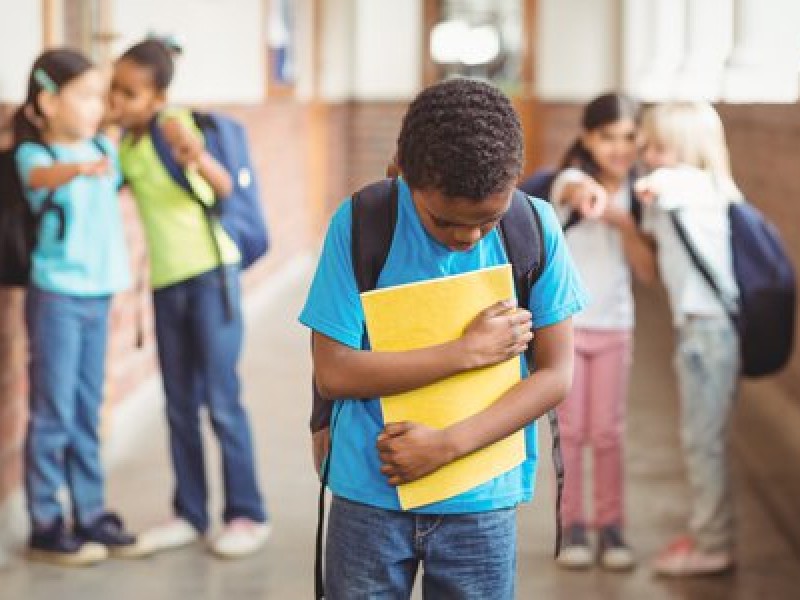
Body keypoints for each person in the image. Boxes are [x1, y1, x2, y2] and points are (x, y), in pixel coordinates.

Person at [300, 78, 588, 598]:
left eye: (487, 220)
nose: (468, 237)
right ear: (404, 175)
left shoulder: (534, 229)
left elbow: (555, 374)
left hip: (481, 501)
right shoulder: (363, 222)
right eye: (445, 220)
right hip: (371, 492)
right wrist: (465, 352)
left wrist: (447, 446)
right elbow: (335, 369)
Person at [109, 38, 268, 558]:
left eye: (128, 92)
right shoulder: (128, 142)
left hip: (209, 277)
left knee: (221, 401)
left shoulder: (172, 124)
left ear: (157, 95)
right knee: (178, 404)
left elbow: (223, 188)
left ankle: (246, 514)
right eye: (114, 89)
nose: (118, 100)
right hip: (166, 285)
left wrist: (196, 155)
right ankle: (190, 513)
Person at [13, 48, 143, 565]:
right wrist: (79, 167)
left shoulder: (100, 146)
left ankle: (89, 511)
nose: (97, 105)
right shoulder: (36, 156)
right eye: (85, 94)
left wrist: (100, 144)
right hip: (57, 298)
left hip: (98, 296)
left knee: (88, 410)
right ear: (47, 100)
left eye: (100, 94)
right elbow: (40, 180)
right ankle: (46, 520)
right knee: (53, 412)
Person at [545, 93, 656, 571]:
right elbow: (572, 191)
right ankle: (570, 526)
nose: (618, 147)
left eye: (629, 137)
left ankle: (610, 527)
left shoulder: (642, 194)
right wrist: (590, 197)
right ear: (589, 138)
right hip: (566, 329)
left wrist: (624, 221)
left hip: (614, 326)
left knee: (607, 433)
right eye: (608, 137)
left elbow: (648, 271)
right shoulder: (571, 179)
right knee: (570, 432)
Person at [636, 101, 741, 576]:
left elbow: (654, 186)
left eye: (659, 147)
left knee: (704, 443)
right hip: (701, 329)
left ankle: (714, 545)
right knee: (702, 438)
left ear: (686, 149)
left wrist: (649, 179)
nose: (650, 156)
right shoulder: (702, 189)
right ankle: (706, 529)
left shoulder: (692, 184)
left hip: (708, 332)